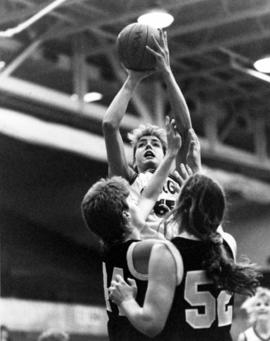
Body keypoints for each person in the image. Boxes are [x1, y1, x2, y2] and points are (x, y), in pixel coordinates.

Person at [109, 173, 261, 341]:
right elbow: (212, 224)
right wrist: (201, 184)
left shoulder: (168, 253)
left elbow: (150, 324)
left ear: (181, 205)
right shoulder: (228, 244)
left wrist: (126, 299)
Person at [81, 118, 181, 340]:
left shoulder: (117, 244)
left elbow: (150, 194)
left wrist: (172, 154)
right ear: (127, 215)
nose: (138, 202)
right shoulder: (139, 251)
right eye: (131, 202)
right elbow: (174, 253)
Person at [102, 29, 200, 232]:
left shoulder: (176, 177)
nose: (148, 146)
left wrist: (167, 72)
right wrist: (132, 80)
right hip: (143, 253)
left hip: (177, 254)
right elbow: (109, 125)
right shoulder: (127, 179)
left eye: (155, 144)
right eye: (142, 144)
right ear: (133, 161)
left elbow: (185, 129)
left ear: (166, 154)